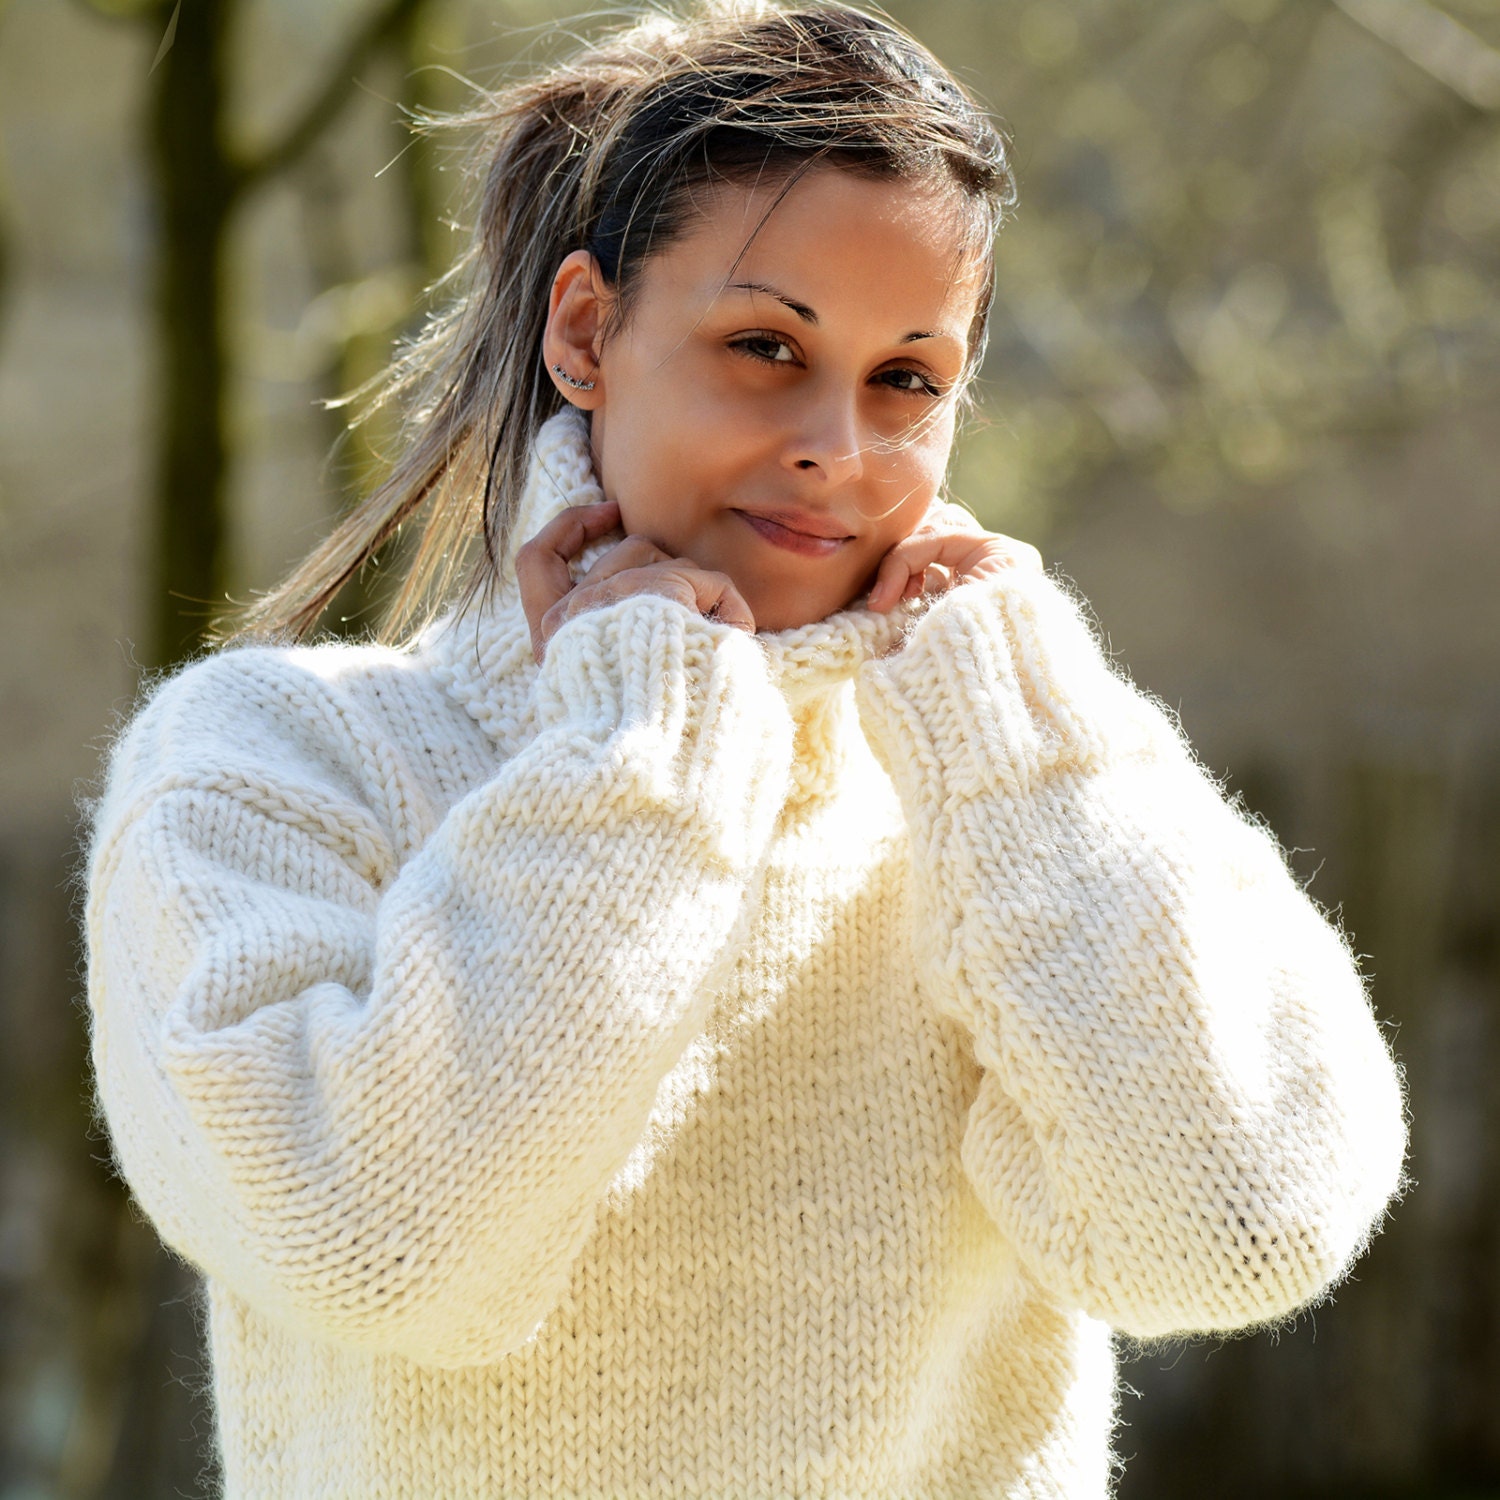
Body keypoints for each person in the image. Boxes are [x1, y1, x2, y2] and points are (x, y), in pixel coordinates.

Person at [83, 3, 1407, 1496]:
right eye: (766, 345)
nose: (838, 445)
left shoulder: (1024, 776)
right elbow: (386, 1246)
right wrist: (652, 744)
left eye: (908, 377)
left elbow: (1232, 1233)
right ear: (587, 331)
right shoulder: (271, 763)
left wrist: (1025, 744)